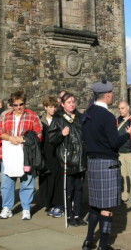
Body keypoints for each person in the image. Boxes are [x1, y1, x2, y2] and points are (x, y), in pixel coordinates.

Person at [81, 80, 131, 250]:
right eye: (112, 93)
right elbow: (114, 143)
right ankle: (104, 245)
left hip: (92, 163)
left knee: (95, 206)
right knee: (107, 208)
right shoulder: (107, 116)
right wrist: (127, 135)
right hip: (107, 164)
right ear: (108, 95)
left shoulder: (87, 113)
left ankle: (89, 241)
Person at [0, 90, 42, 220]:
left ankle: (26, 208)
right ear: (11, 104)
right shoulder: (5, 116)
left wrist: (23, 139)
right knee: (7, 182)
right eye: (15, 105)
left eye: (21, 104)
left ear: (25, 103)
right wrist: (10, 137)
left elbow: (39, 135)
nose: (18, 107)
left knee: (27, 181)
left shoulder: (33, 116)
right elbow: (0, 132)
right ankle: (7, 207)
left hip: (26, 154)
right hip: (8, 153)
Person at [48, 93, 87, 226]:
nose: (72, 104)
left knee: (79, 188)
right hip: (67, 159)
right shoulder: (58, 119)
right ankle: (69, 215)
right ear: (63, 104)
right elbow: (51, 139)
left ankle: (77, 214)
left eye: (73, 102)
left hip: (80, 158)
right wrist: (61, 134)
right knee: (68, 189)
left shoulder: (80, 117)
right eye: (69, 102)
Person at [38, 96, 64, 217]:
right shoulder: (40, 120)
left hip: (57, 152)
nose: (53, 109)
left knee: (57, 178)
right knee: (46, 179)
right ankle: (48, 203)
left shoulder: (59, 119)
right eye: (50, 107)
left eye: (54, 107)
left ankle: (57, 204)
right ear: (45, 107)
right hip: (45, 153)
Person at [116, 100, 131, 205]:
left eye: (123, 108)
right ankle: (124, 194)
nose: (121, 110)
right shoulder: (117, 121)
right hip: (120, 152)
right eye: (119, 108)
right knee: (123, 174)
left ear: (128, 108)